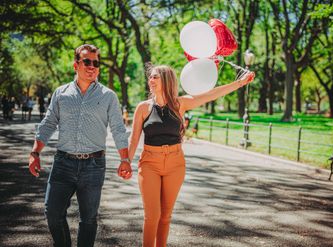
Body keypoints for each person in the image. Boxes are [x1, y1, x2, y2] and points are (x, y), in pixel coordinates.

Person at [127, 65, 255, 247]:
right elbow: (133, 140)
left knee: (165, 216)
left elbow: (212, 94)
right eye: (150, 77)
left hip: (175, 164)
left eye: (155, 77)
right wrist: (126, 162)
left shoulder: (180, 104)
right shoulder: (143, 108)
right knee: (152, 216)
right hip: (149, 163)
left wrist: (240, 83)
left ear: (166, 80)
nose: (151, 80)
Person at [28, 44, 132, 247]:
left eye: (96, 63)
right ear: (76, 65)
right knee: (52, 213)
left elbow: (118, 129)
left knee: (88, 219)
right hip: (63, 163)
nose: (92, 66)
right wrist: (35, 152)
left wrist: (125, 159)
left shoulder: (108, 96)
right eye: (87, 61)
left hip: (94, 166)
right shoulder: (61, 93)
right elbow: (48, 123)